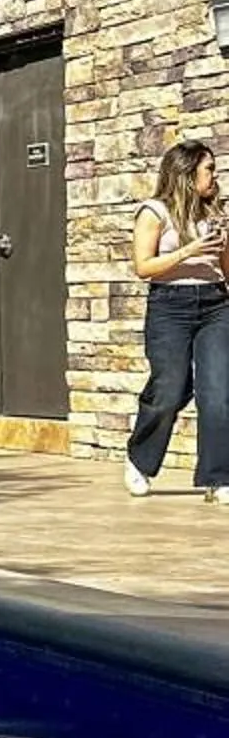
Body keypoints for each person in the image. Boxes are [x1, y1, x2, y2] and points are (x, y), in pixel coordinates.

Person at [125, 139, 229, 497]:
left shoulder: (214, 212)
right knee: (169, 388)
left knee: (218, 391)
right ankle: (140, 458)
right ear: (187, 173)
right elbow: (143, 267)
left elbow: (224, 266)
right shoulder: (154, 212)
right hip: (171, 306)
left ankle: (218, 478)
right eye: (209, 169)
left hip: (216, 304)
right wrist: (189, 250)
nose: (215, 175)